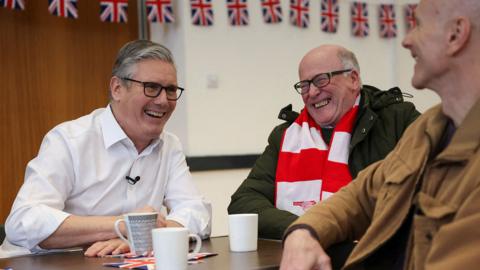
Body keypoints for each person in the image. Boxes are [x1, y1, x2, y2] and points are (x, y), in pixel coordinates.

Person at [280, 0, 480, 269]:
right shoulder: (429, 128)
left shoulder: (405, 120)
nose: (406, 40)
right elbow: (362, 195)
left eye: (418, 24)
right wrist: (303, 232)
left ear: (456, 34)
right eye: (306, 85)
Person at [0, 40, 211, 258]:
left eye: (170, 90)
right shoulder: (69, 140)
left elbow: (197, 211)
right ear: (117, 88)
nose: (163, 101)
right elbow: (23, 222)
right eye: (151, 88)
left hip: (116, 262)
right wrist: (123, 225)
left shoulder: (170, 145)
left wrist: (141, 236)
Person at [228, 45, 420, 240]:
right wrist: (305, 230)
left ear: (353, 79)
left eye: (321, 80)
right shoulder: (285, 136)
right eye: (304, 85)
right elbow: (244, 203)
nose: (311, 92)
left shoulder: (398, 120)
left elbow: (426, 188)